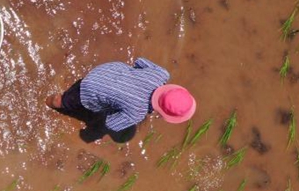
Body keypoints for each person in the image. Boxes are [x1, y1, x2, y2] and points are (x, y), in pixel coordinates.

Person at [46, 57, 196, 134]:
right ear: (163, 114)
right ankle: (47, 102)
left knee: (85, 86)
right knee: (63, 101)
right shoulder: (137, 113)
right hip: (90, 88)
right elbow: (111, 124)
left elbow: (139, 61)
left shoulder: (161, 74)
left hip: (106, 70)